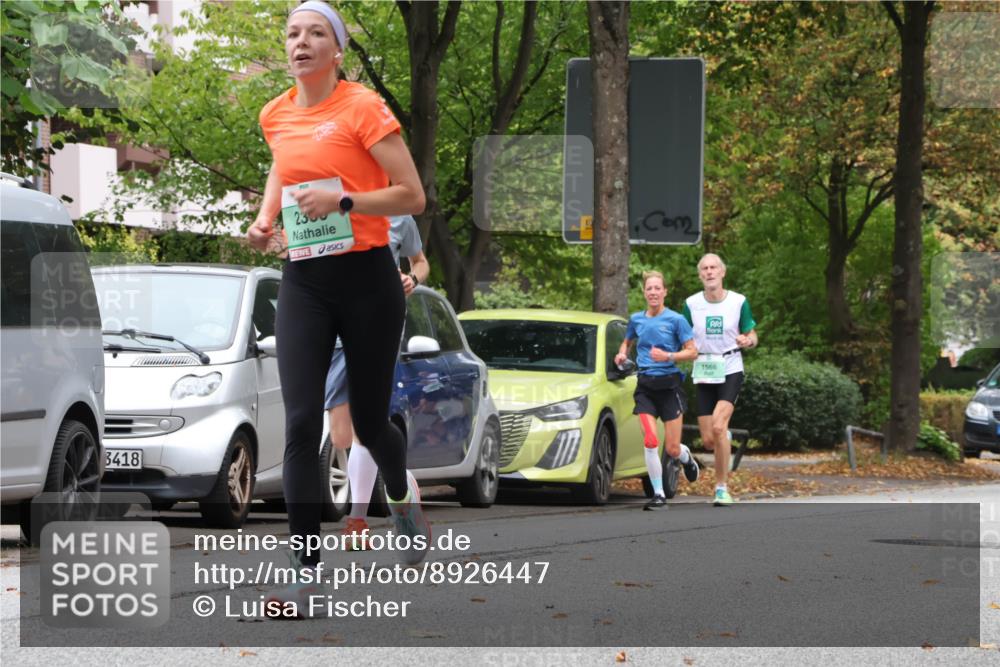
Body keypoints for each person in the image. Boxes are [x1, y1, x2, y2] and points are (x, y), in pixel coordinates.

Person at [246, 1, 428, 612]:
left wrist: (344, 199)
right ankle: (305, 573)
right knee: (302, 423)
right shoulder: (274, 112)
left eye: (316, 33)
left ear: (337, 49)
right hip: (303, 279)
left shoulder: (363, 108)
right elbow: (281, 165)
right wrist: (265, 218)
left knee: (372, 423)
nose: (301, 42)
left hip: (367, 279)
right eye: (293, 32)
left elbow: (413, 196)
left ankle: (401, 497)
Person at [327, 214, 429, 549]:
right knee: (340, 434)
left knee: (364, 426)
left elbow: (421, 262)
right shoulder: (333, 206)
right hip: (336, 322)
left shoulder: (400, 216)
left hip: (380, 323)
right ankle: (400, 479)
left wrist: (412, 279)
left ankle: (357, 521)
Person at [614, 271, 700, 511]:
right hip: (645, 387)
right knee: (651, 440)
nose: (653, 292)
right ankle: (658, 494)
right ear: (644, 293)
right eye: (649, 288)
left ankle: (686, 458)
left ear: (664, 292)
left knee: (671, 449)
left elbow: (692, 352)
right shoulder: (636, 319)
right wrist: (622, 354)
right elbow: (627, 341)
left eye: (657, 288)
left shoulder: (676, 320)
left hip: (669, 386)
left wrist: (668, 356)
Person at [683, 253, 758, 507]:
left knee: (718, 426)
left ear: (722, 272)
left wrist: (748, 340)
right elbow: (684, 337)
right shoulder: (691, 304)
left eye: (714, 267)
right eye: (704, 268)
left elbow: (752, 334)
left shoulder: (738, 302)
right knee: (708, 439)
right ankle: (719, 439)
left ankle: (721, 487)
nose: (710, 271)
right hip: (704, 367)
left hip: (730, 365)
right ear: (700, 275)